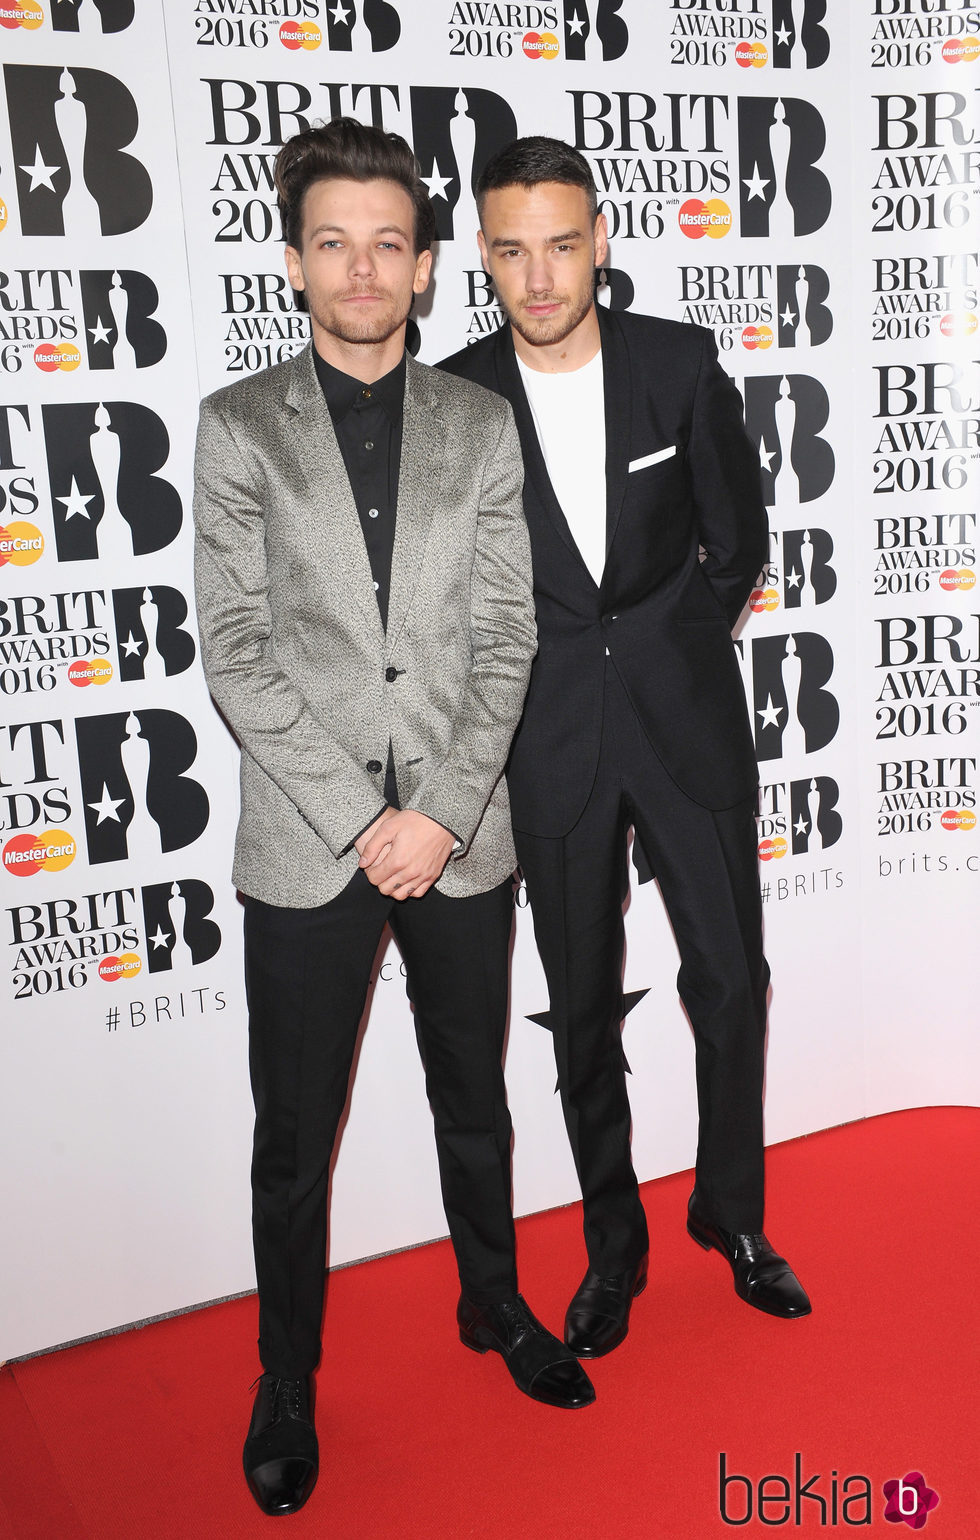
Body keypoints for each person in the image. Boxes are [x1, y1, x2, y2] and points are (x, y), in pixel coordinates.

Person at [193, 118, 594, 1521]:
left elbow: (508, 633)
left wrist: (440, 809)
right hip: (310, 847)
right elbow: (235, 648)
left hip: (460, 832)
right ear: (296, 262)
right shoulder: (239, 427)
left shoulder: (485, 427)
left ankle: (494, 1306)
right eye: (331, 243)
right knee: (294, 1138)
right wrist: (369, 823)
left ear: (426, 269)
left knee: (473, 1098)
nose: (361, 270)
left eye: (387, 244)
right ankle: (286, 1381)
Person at [440, 136, 810, 1363]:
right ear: (481, 258)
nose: (539, 277)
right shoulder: (456, 396)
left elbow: (737, 537)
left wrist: (672, 649)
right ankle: (614, 1246)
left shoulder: (675, 361)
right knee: (581, 1009)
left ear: (598, 238)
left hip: (684, 723)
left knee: (730, 981)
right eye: (511, 249)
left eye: (561, 243)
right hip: (545, 745)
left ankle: (733, 1214)